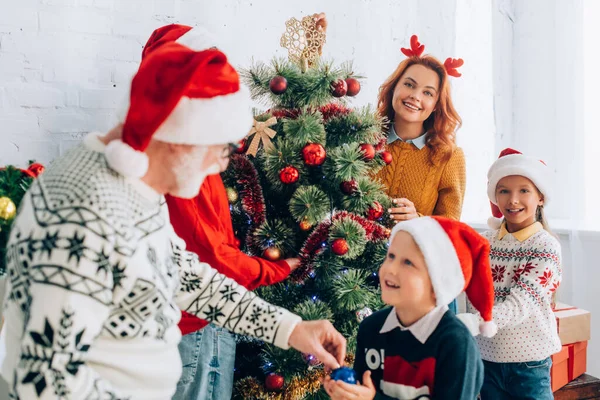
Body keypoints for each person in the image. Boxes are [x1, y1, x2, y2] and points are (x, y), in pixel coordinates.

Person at [1, 33, 345, 400]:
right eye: (222, 147)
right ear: (181, 138)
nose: (224, 163)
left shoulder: (130, 179)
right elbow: (44, 378)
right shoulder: (84, 214)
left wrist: (290, 328)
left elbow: (182, 272)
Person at [141, 23, 301, 400]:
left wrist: (290, 327)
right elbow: (210, 258)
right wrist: (277, 269)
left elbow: (199, 265)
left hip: (204, 317)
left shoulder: (184, 154)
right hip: (193, 328)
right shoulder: (176, 163)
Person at [324, 216, 495, 399]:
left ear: (438, 284)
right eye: (391, 256)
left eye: (408, 262)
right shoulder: (371, 328)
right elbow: (364, 386)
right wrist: (347, 390)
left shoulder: (456, 344)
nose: (390, 268)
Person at [474, 149, 562, 400]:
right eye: (504, 191)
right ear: (495, 196)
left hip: (529, 365)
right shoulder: (484, 242)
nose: (513, 200)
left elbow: (522, 302)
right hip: (487, 360)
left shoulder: (545, 246)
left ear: (541, 197)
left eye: (524, 190)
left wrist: (474, 322)